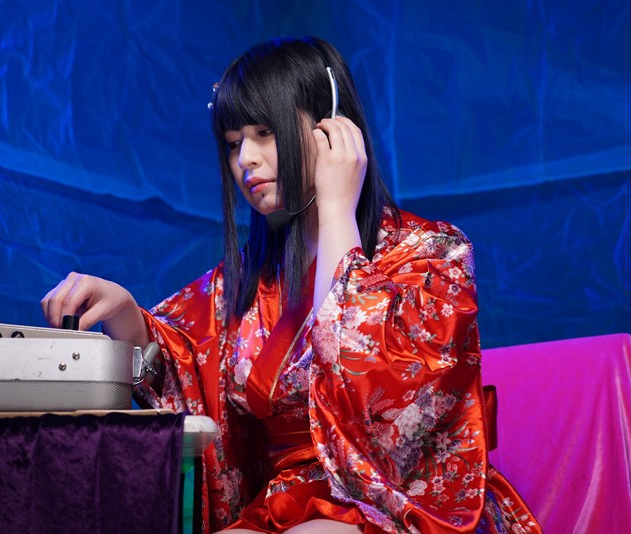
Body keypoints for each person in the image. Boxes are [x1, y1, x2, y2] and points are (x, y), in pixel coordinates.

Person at [41, 37, 540, 534]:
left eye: (265, 132)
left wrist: (337, 206)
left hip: (399, 503)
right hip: (290, 500)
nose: (246, 159)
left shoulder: (433, 254)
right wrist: (126, 314)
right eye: (234, 142)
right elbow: (188, 362)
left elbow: (369, 386)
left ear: (332, 128)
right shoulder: (249, 277)